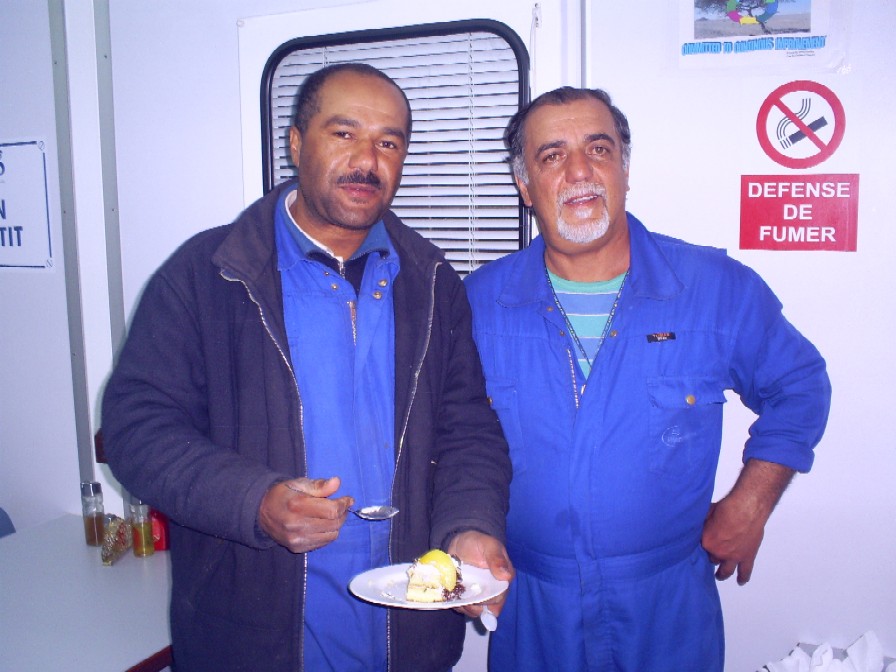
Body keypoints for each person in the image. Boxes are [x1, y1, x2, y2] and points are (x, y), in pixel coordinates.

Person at [102, 63, 513, 672]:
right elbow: (136, 427)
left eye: (388, 143)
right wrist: (253, 500)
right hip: (252, 640)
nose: (367, 160)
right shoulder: (207, 273)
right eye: (344, 133)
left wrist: (469, 525)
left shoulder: (430, 280)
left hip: (408, 640)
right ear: (296, 143)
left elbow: (467, 428)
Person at [464, 86, 831, 671]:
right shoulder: (476, 305)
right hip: (532, 604)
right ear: (525, 186)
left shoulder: (713, 288)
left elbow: (801, 385)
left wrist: (750, 504)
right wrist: (463, 531)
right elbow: (447, 439)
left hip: (667, 607)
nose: (579, 171)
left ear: (625, 170)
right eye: (552, 156)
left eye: (599, 149)